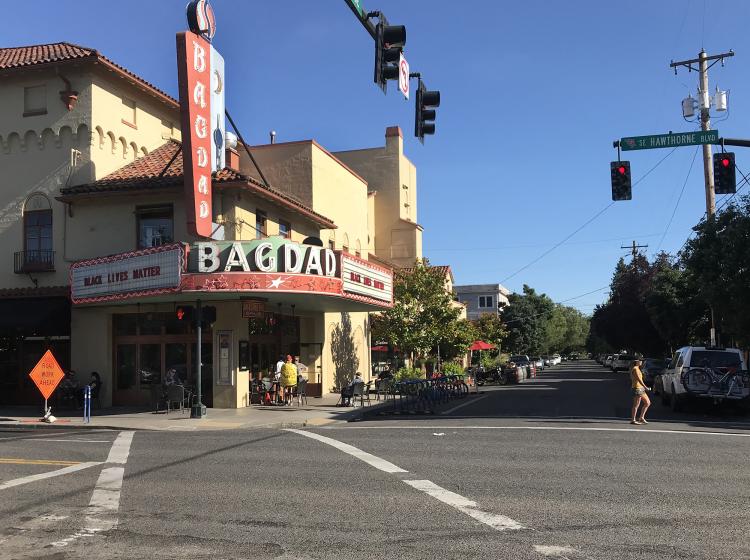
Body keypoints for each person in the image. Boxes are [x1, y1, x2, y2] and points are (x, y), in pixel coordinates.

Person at [630, 359, 650, 425]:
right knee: (636, 405)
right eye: (640, 361)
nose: (641, 362)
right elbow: (639, 379)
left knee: (647, 402)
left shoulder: (638, 368)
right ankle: (633, 420)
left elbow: (641, 379)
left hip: (641, 388)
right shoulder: (635, 369)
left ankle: (641, 417)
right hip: (637, 388)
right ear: (636, 362)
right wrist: (645, 387)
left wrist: (643, 387)